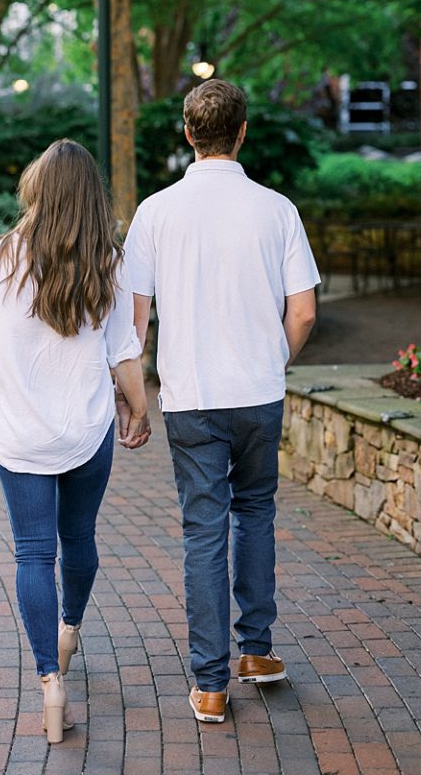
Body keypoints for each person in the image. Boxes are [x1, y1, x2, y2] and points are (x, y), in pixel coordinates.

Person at [124, 79, 319, 724]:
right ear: (242, 132)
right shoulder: (278, 209)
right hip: (259, 393)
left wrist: (136, 398)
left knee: (203, 530)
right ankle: (256, 651)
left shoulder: (156, 212)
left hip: (192, 397)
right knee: (256, 513)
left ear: (188, 133)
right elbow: (305, 310)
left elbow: (137, 317)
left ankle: (210, 685)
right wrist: (273, 358)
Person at [0, 139, 150, 744]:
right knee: (80, 540)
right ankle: (70, 627)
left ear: (35, 190)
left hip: (20, 439)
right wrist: (139, 410)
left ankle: (49, 682)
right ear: (90, 195)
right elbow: (124, 354)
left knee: (32, 554)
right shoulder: (106, 262)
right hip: (88, 431)